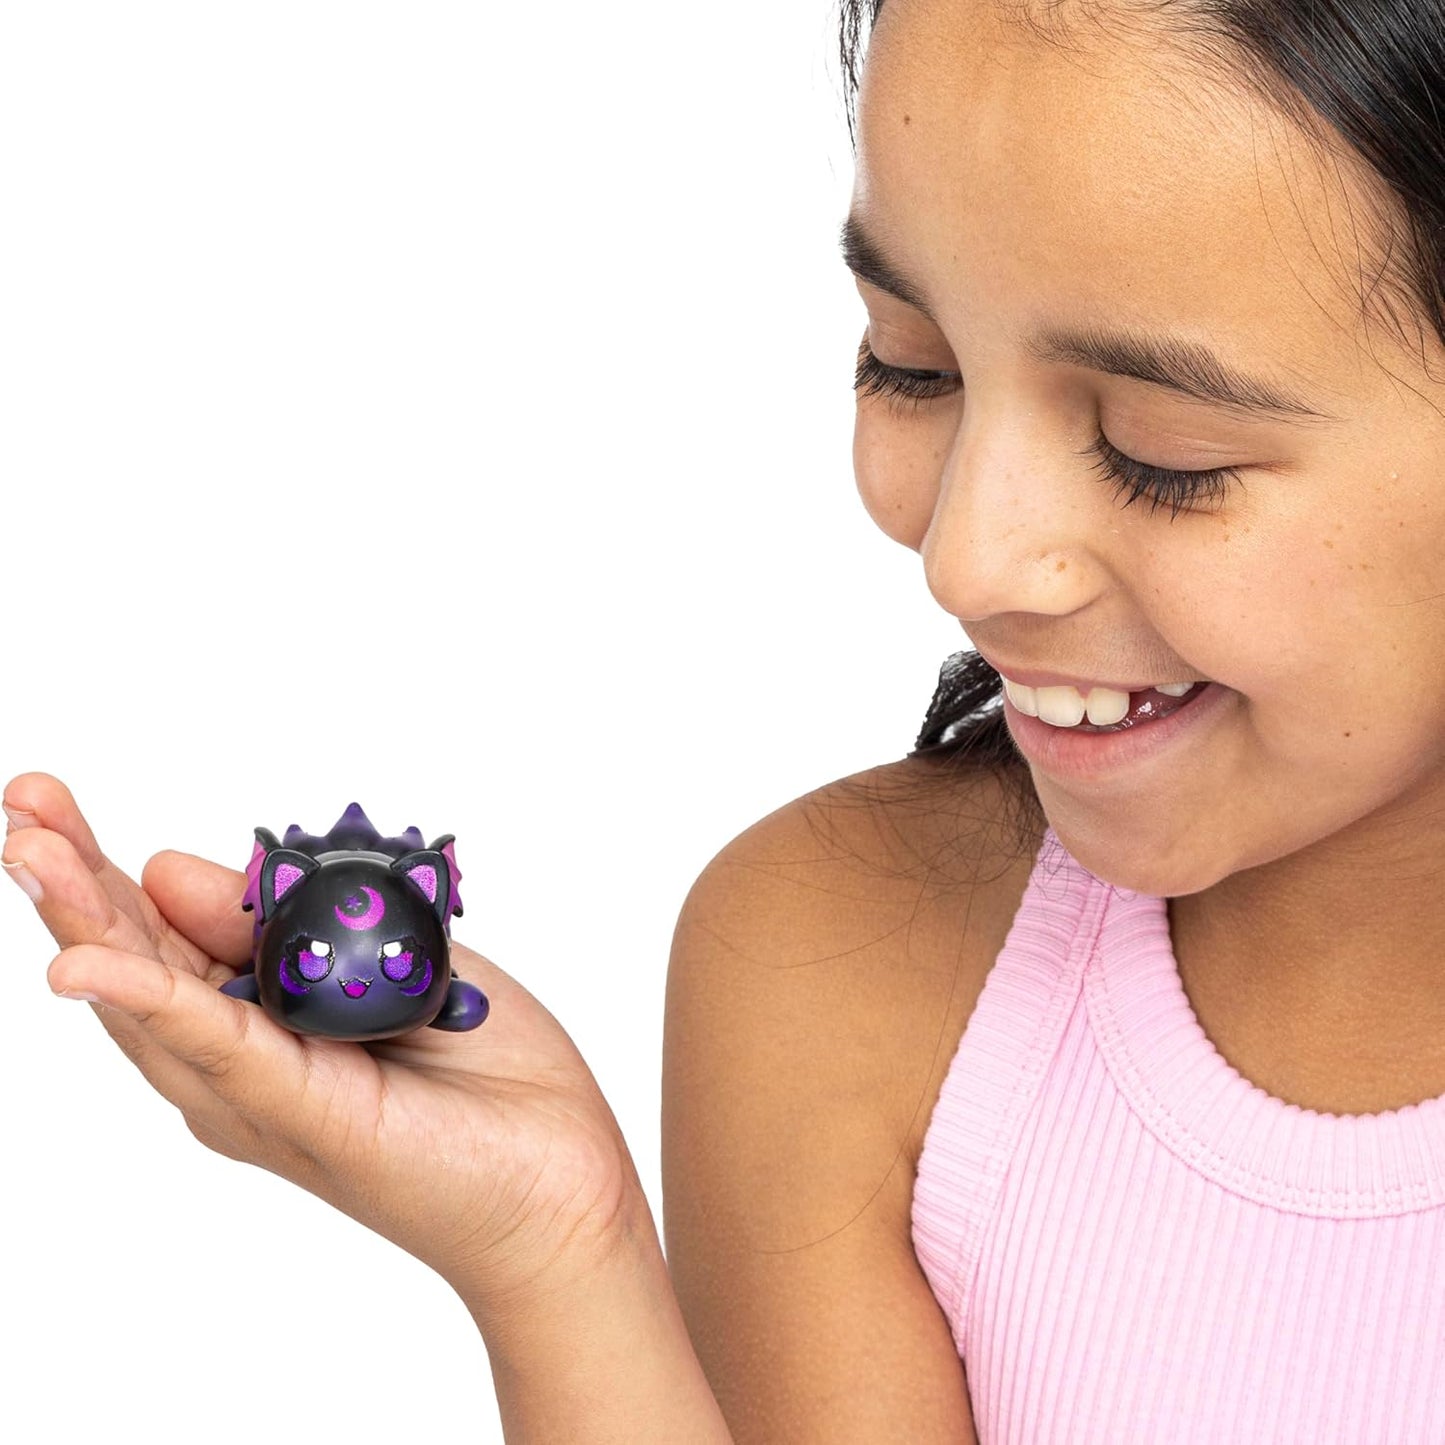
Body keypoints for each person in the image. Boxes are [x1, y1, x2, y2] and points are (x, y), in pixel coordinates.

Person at [10, 0, 1445, 1438]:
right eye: (911, 363)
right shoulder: (846, 975)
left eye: (1160, 451)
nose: (966, 557)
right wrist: (554, 1261)